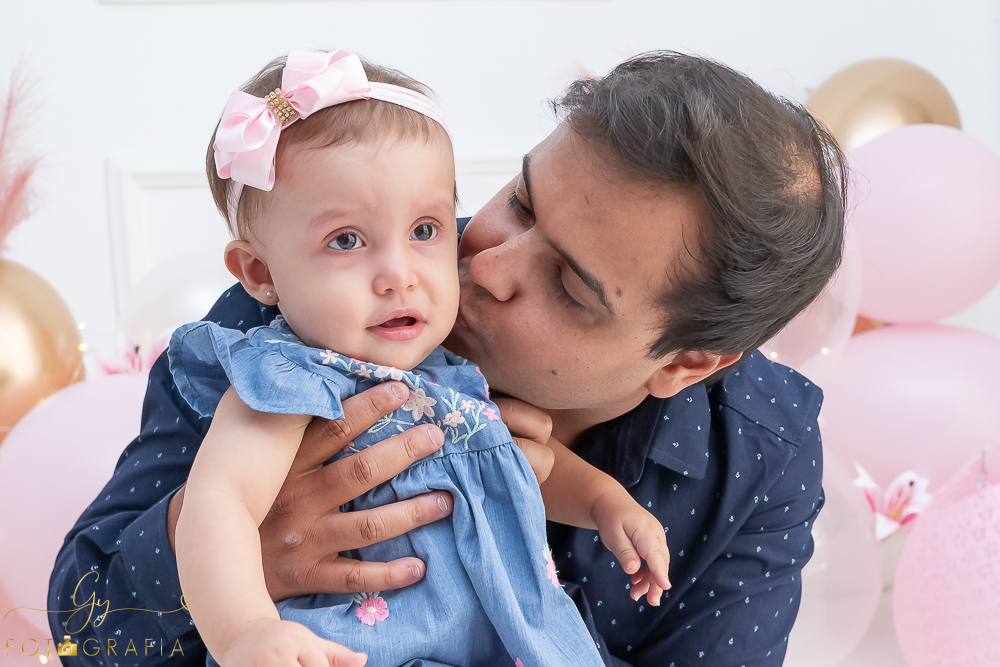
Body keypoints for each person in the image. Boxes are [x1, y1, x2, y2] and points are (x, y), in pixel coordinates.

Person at [49, 51, 845, 666]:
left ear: (688, 363)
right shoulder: (316, 305)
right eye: (522, 203)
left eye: (566, 285)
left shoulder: (758, 452)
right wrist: (231, 563)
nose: (483, 266)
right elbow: (83, 631)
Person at [166, 48, 668, 667]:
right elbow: (220, 505)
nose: (399, 276)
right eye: (346, 240)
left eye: (425, 230)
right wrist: (243, 631)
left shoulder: (452, 375)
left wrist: (604, 503)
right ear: (261, 272)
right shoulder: (290, 379)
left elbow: (512, 465)